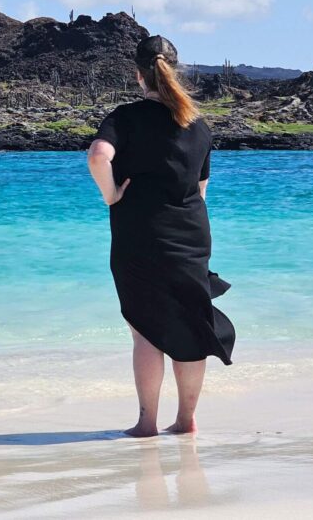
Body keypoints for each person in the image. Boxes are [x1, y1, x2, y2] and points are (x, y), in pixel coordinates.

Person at [86, 34, 235, 438]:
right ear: (175, 69)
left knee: (145, 328)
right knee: (191, 325)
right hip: (191, 234)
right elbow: (201, 189)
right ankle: (186, 421)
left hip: (140, 237)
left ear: (139, 76)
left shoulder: (126, 118)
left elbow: (99, 156)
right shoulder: (197, 124)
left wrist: (112, 195)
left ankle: (146, 423)